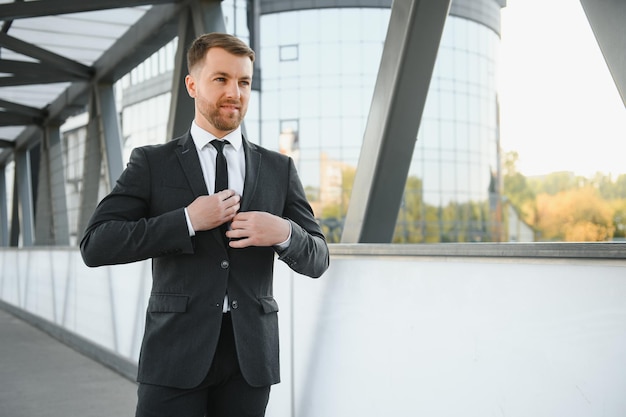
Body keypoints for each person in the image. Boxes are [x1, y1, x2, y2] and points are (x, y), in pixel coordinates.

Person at [80, 32, 330, 417]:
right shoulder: (151, 162)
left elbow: (318, 258)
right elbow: (96, 245)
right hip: (174, 354)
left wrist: (284, 233)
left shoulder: (279, 169)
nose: (235, 91)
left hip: (250, 360)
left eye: (243, 82)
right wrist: (186, 221)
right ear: (192, 85)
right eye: (221, 79)